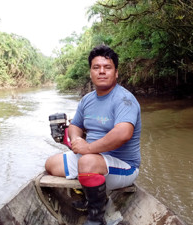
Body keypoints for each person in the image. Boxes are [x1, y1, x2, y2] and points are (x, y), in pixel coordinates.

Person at [45, 45, 141, 225]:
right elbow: (75, 125)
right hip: (91, 160)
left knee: (87, 162)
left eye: (107, 67)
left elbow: (123, 134)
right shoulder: (87, 100)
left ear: (116, 73)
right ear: (91, 72)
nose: (102, 72)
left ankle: (96, 218)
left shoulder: (125, 100)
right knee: (51, 164)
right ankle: (92, 193)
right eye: (97, 67)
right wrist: (76, 139)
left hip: (124, 166)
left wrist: (87, 148)